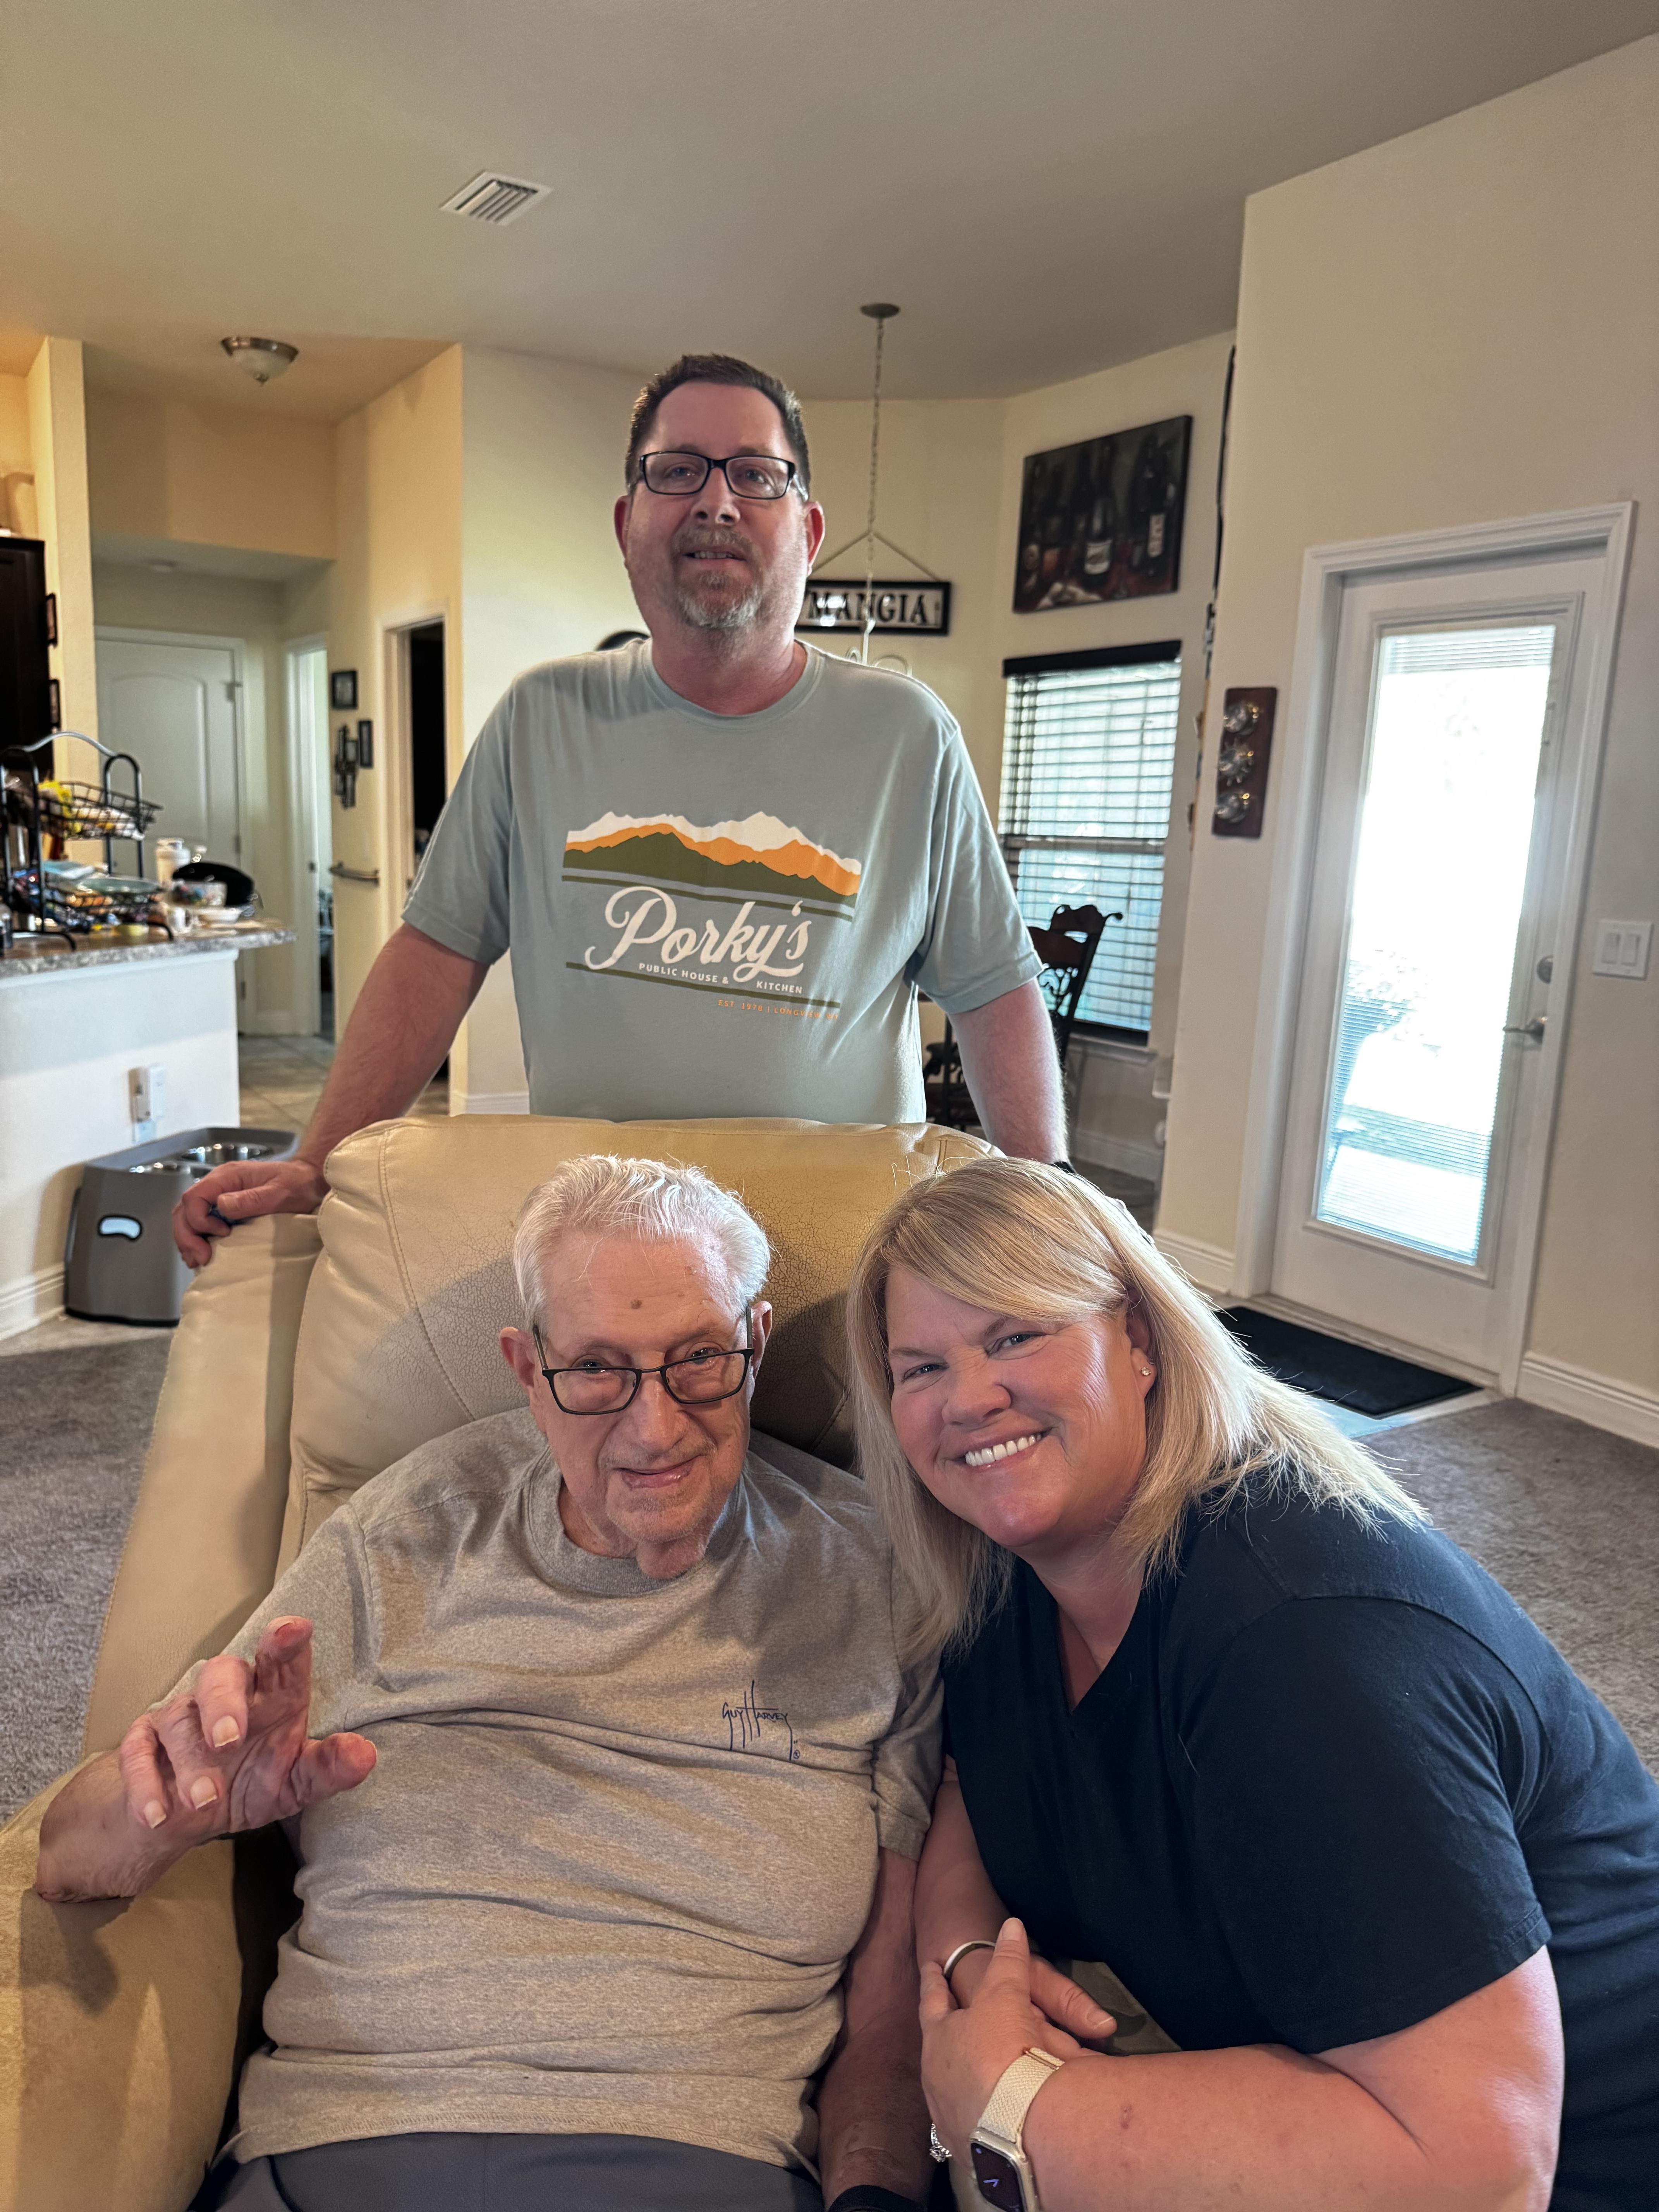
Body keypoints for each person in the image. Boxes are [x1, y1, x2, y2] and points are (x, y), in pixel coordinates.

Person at [43, 1158, 942, 2212]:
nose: (654, 1429)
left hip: (697, 2160)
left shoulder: (878, 1576)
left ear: (754, 1342)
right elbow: (71, 1858)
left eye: (698, 1360)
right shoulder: (407, 1532)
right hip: (344, 2149)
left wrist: (873, 2196)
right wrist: (184, 1809)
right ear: (526, 1368)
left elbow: (890, 2005)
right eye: (597, 1371)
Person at [844, 1159, 1659, 2212]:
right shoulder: (1005, 1564)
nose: (969, 1399)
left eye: (1015, 1336)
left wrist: (1006, 2105)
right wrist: (968, 1965)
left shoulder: (1301, 1645)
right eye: (919, 1368)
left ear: (1137, 1339)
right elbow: (967, 1783)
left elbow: (1481, 2163)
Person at [175, 353, 1062, 1266]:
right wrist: (318, 1162)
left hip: (848, 1250)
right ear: (626, 521)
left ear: (809, 527)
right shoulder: (540, 717)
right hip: (607, 1259)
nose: (716, 502)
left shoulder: (906, 735)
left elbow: (994, 986)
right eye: (676, 471)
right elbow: (435, 953)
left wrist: (1053, 1205)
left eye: (757, 475)